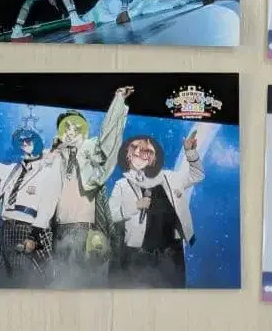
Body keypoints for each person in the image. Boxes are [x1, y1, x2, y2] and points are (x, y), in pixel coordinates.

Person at [46, 86, 132, 287]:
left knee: (78, 283)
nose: (70, 132)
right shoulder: (56, 156)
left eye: (75, 128)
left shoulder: (89, 149)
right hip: (57, 231)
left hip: (82, 229)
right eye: (66, 128)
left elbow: (107, 139)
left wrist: (118, 101)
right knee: (57, 284)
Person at [0, 120, 63, 287]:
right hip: (3, 229)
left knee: (22, 279)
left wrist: (33, 236)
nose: (24, 143)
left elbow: (47, 206)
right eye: (21, 141)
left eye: (29, 140)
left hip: (26, 229)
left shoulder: (48, 172)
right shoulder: (13, 169)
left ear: (38, 143)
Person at [108, 130, 204, 288]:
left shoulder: (171, 177)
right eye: (136, 151)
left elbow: (197, 175)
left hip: (171, 256)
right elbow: (111, 215)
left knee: (174, 299)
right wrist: (135, 206)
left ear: (153, 156)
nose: (141, 154)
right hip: (139, 257)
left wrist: (190, 152)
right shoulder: (122, 185)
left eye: (146, 151)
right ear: (129, 157)